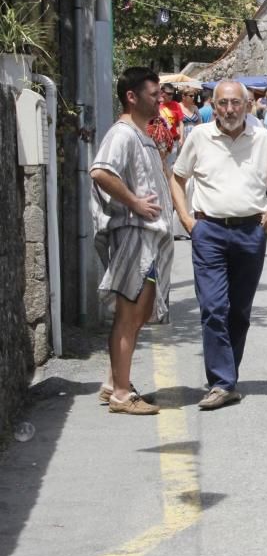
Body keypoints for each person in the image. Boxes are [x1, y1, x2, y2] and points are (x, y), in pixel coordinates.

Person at [169, 80, 267, 410]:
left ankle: (226, 376)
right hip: (209, 232)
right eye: (223, 104)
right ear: (213, 106)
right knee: (214, 307)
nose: (229, 110)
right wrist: (186, 220)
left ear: (247, 106)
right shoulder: (199, 137)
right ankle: (222, 382)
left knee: (239, 311)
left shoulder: (262, 139)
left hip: (250, 232)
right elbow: (177, 177)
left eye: (235, 104)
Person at [89, 67, 174, 415]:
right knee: (128, 314)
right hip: (134, 235)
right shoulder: (122, 133)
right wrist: (135, 202)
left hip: (146, 238)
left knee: (137, 314)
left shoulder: (140, 133)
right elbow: (101, 171)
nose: (160, 99)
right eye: (154, 94)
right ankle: (122, 394)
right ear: (131, 96)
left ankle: (113, 382)